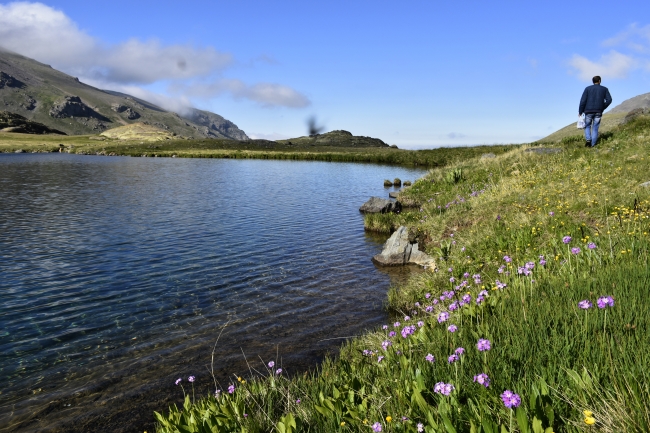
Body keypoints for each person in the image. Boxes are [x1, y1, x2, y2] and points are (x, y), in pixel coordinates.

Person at [579, 76, 612, 147]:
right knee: (595, 127)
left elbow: (583, 101)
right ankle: (593, 145)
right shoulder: (604, 89)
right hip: (598, 111)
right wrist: (602, 107)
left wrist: (580, 111)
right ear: (599, 81)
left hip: (588, 111)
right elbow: (609, 100)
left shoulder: (587, 89)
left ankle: (588, 140)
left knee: (587, 126)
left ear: (593, 81)